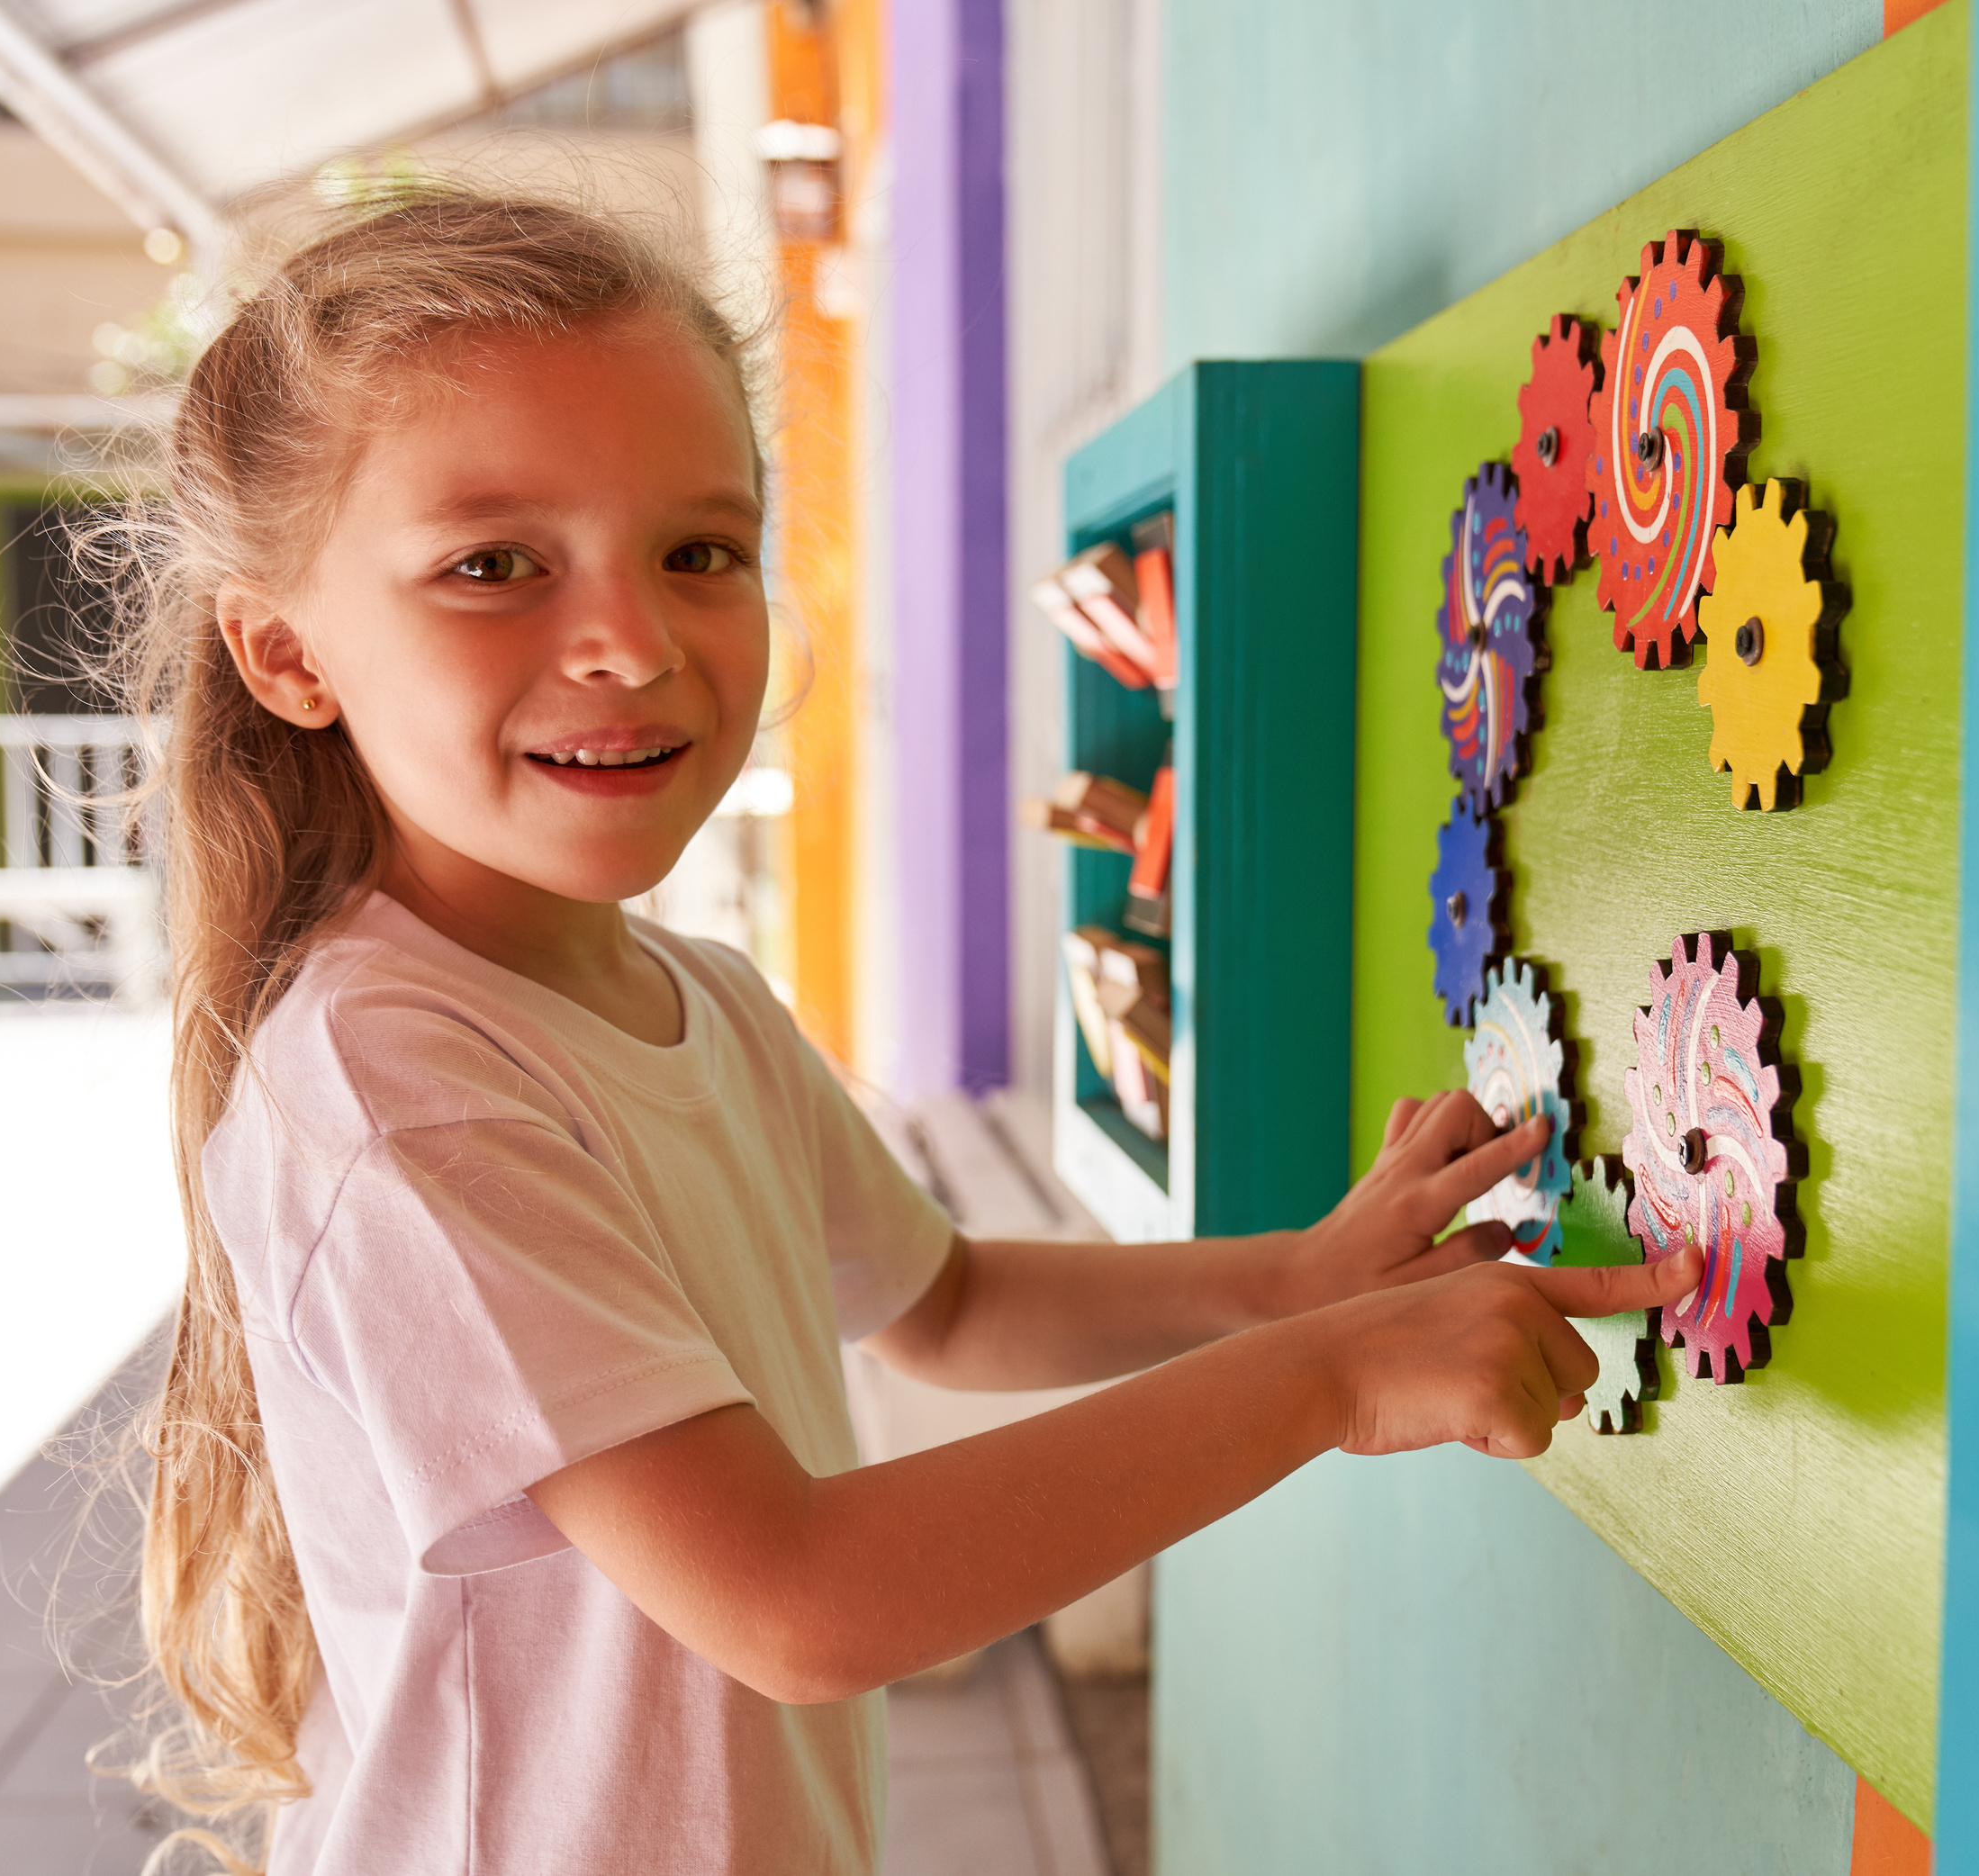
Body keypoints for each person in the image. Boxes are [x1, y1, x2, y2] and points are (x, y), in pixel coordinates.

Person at [107, 191, 1699, 1875]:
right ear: (288, 654)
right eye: (493, 565)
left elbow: (945, 1304)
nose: (632, 642)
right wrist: (1325, 1378)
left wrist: (1292, 1280)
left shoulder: (690, 997)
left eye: (699, 552)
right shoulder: (399, 1086)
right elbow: (800, 1600)